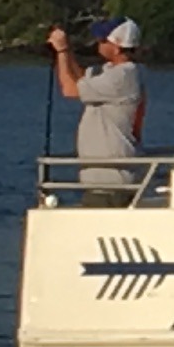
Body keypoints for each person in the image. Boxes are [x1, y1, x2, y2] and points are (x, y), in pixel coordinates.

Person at [48, 17, 146, 206]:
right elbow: (81, 80)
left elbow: (70, 89)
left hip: (110, 181)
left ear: (117, 46)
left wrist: (61, 50)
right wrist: (67, 53)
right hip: (105, 178)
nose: (97, 44)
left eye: (102, 40)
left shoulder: (122, 77)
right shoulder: (116, 71)